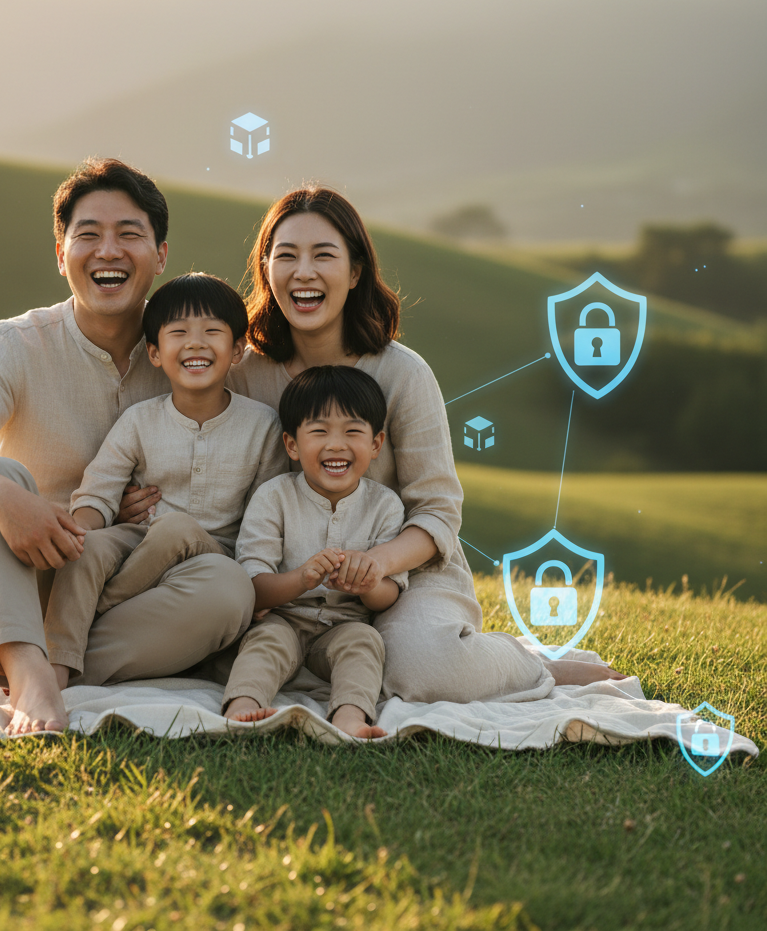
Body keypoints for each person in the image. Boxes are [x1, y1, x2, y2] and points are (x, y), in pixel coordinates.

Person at [219, 185, 627, 702]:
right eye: (286, 256)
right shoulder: (245, 373)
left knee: (422, 671)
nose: (303, 272)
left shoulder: (402, 373)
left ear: (356, 271)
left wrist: (376, 566)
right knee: (217, 650)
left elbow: (437, 512)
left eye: (323, 255)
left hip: (404, 571)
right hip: (284, 578)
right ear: (265, 268)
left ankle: (528, 664)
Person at [0, 159, 257, 734]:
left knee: (228, 589)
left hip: (127, 594)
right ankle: (28, 671)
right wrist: (9, 501)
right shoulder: (13, 345)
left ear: (161, 256)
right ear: (60, 253)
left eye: (129, 235)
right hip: (14, 580)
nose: (108, 251)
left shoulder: (191, 353)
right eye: (88, 235)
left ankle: (5, 664)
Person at [42, 272, 289, 678]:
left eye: (212, 331)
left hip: (214, 555)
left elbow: (267, 515)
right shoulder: (139, 420)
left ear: (238, 351)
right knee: (88, 551)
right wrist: (80, 535)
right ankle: (56, 669)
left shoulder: (262, 425)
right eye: (179, 333)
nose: (195, 342)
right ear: (155, 353)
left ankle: (104, 608)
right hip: (138, 542)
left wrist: (259, 575)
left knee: (177, 528)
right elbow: (98, 493)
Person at [223, 366, 407, 739]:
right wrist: (301, 579)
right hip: (283, 619)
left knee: (365, 642)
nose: (336, 445)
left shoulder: (385, 506)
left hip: (343, 627)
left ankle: (350, 717)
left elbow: (388, 596)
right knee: (266, 642)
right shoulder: (274, 497)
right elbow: (253, 586)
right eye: (319, 431)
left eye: (353, 432)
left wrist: (368, 580)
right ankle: (242, 705)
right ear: (292, 444)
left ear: (375, 444)